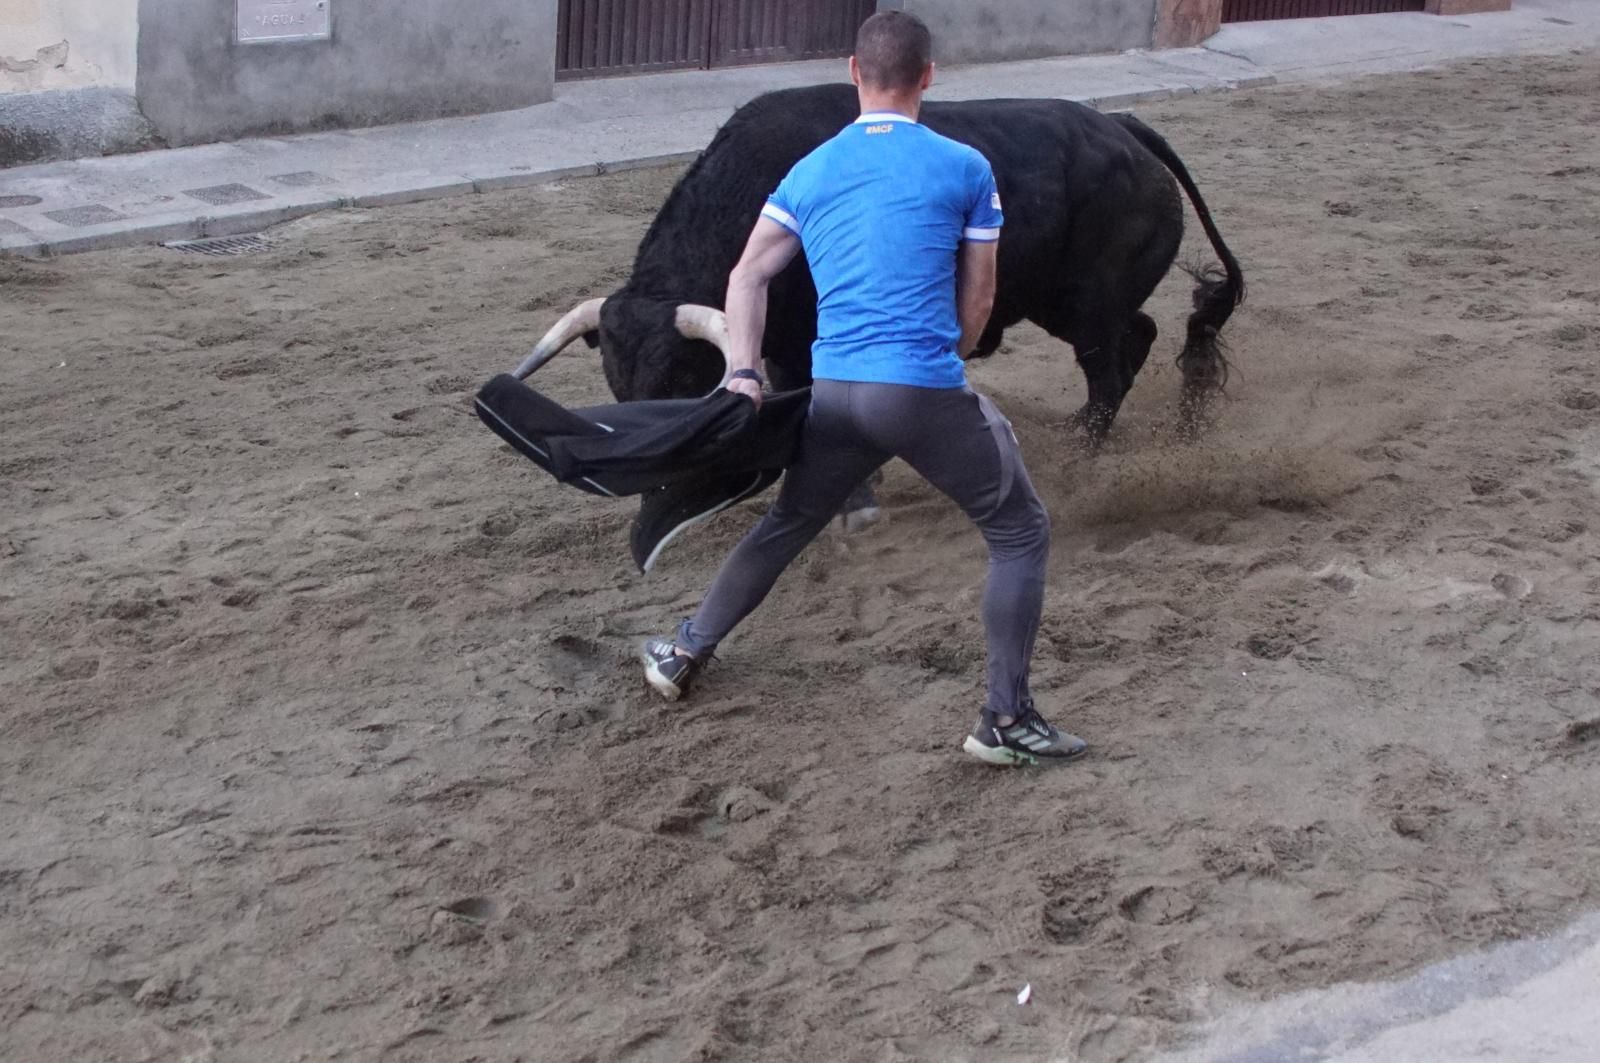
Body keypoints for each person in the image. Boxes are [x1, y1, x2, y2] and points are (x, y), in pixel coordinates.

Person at [639, 11, 1086, 766]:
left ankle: (683, 650)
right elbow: (977, 302)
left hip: (833, 391)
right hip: (915, 387)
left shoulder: (810, 169)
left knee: (789, 520)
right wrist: (951, 362)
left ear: (854, 72)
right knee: (1019, 530)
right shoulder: (966, 166)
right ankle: (1004, 720)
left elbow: (747, 275)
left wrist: (744, 371)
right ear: (928, 79)